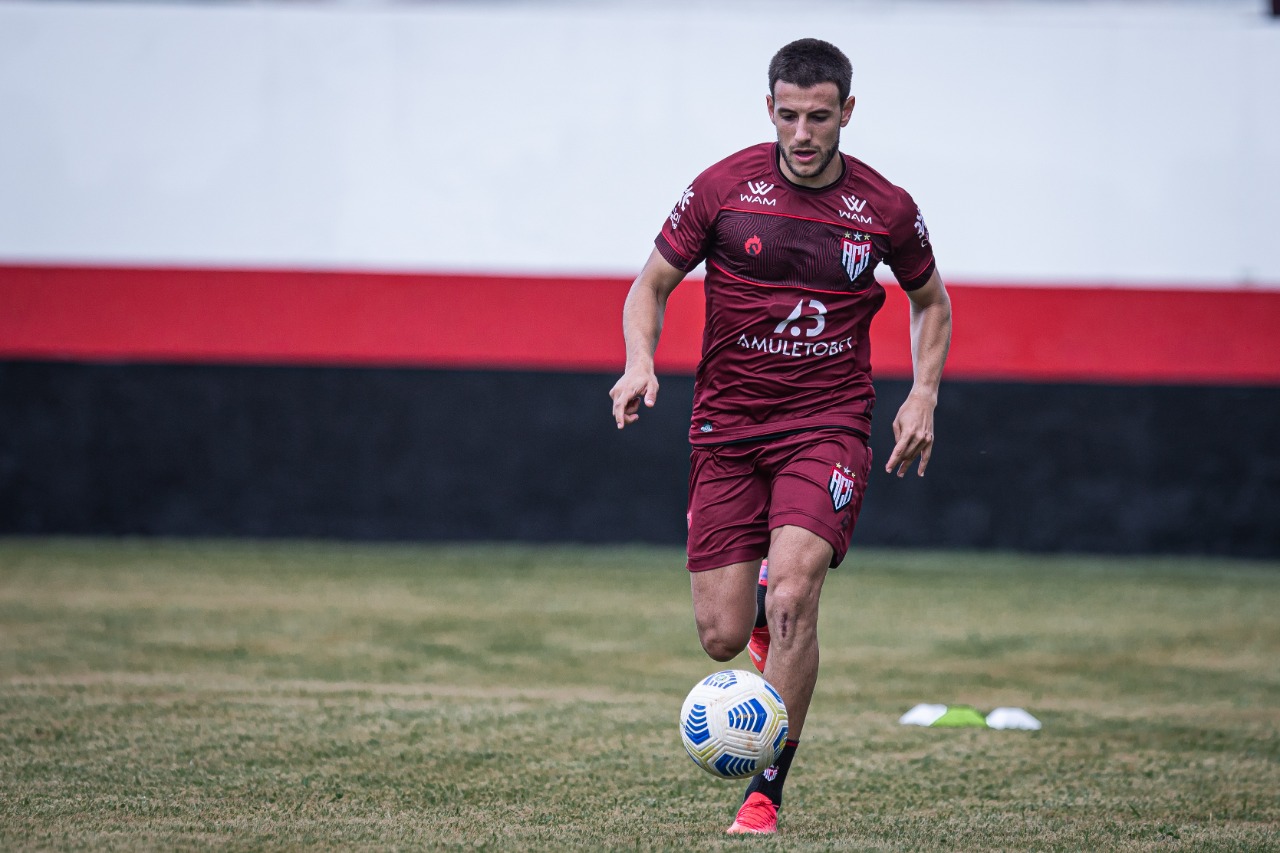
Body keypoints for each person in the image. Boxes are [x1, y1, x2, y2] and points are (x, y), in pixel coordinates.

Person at [609, 37, 952, 835]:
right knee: (723, 636)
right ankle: (760, 615)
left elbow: (930, 300)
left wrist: (923, 392)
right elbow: (650, 283)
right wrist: (638, 364)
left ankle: (766, 790)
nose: (804, 133)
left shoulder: (886, 208)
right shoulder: (724, 190)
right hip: (727, 428)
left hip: (828, 424)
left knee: (797, 593)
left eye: (820, 117)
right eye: (789, 115)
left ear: (847, 114)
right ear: (770, 109)